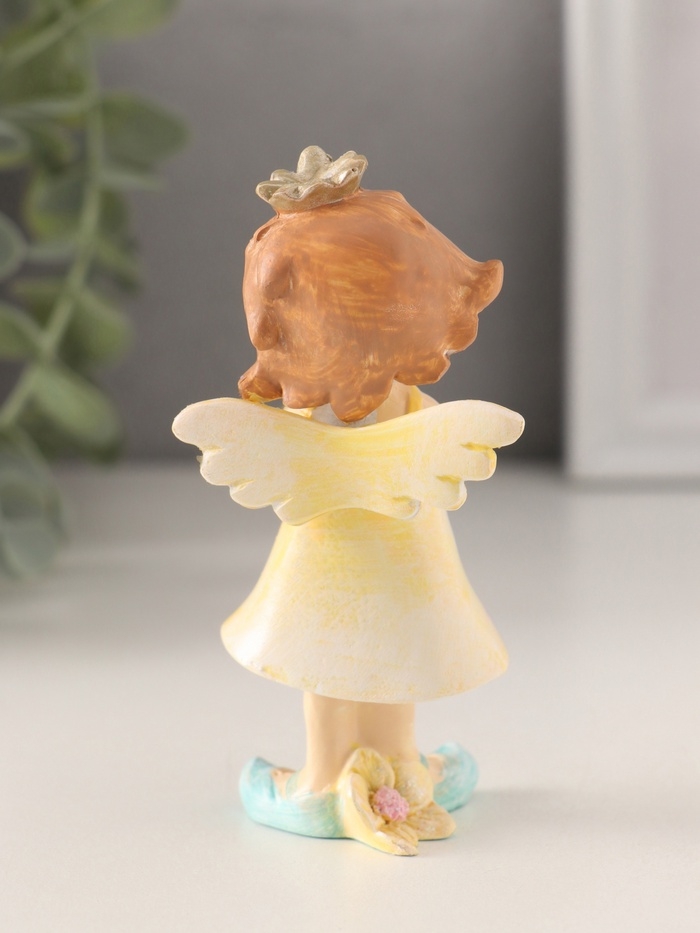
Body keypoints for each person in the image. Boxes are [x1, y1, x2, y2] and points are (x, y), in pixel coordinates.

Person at [173, 147, 523, 855]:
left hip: (340, 557)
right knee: (375, 654)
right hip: (379, 553)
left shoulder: (320, 422)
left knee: (343, 657)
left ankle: (362, 774)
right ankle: (363, 771)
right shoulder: (413, 417)